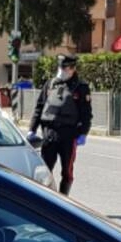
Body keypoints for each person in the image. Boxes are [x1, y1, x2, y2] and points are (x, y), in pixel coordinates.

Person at [28, 54, 93, 195]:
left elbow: (86, 113)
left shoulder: (81, 88)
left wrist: (83, 133)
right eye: (60, 67)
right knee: (45, 170)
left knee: (67, 171)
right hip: (49, 133)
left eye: (65, 67)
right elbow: (39, 108)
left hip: (69, 135)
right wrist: (31, 129)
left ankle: (64, 200)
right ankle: (45, 198)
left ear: (73, 68)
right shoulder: (50, 84)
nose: (62, 70)